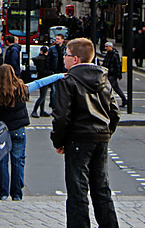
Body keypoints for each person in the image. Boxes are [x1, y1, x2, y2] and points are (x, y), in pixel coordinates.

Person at [51, 38, 120, 228]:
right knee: (101, 188)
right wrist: (106, 133)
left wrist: (59, 141)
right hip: (101, 138)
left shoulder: (69, 81)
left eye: (66, 54)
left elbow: (61, 116)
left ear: (76, 59)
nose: (64, 58)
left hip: (78, 138)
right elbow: (114, 113)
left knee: (78, 190)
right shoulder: (104, 80)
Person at [0, 64, 29, 201]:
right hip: (18, 128)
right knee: (18, 161)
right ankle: (17, 193)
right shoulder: (20, 87)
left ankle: (3, 192)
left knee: (2, 162)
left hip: (2, 130)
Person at [31, 46, 54, 117]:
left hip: (40, 78)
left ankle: (42, 111)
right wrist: (50, 73)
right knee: (42, 96)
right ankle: (34, 111)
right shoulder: (43, 60)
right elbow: (42, 71)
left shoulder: (38, 59)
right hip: (44, 78)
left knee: (42, 95)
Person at [102, 42, 127, 107]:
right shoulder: (107, 54)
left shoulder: (115, 55)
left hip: (113, 74)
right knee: (114, 88)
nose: (105, 48)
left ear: (111, 47)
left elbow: (118, 65)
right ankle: (123, 100)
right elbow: (105, 63)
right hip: (108, 73)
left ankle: (122, 100)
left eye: (107, 47)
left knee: (112, 87)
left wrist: (119, 75)